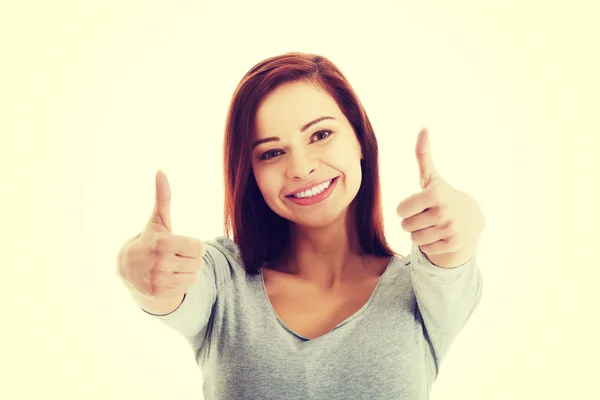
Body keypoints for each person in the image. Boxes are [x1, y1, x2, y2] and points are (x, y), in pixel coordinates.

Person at [116, 52, 485, 399]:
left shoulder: (421, 287)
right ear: (251, 174)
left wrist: (466, 220)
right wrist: (134, 265)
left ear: (359, 139)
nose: (301, 167)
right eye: (272, 152)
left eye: (320, 135)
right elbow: (170, 291)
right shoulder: (224, 276)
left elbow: (451, 256)